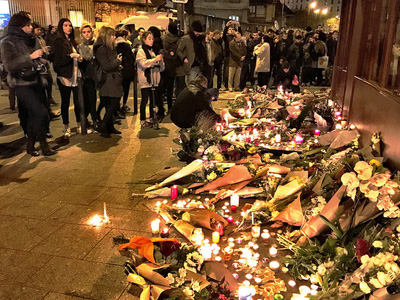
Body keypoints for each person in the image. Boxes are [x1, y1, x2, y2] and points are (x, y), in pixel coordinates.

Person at [0, 12, 56, 156]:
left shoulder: (32, 39)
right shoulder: (7, 42)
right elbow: (10, 65)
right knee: (40, 112)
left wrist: (42, 59)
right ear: (19, 27)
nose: (31, 27)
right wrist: (29, 57)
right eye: (28, 25)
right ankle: (43, 144)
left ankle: (32, 146)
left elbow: (38, 58)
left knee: (35, 115)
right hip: (21, 84)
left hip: (36, 80)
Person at [53, 18, 83, 137]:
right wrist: (70, 56)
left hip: (76, 75)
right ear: (61, 27)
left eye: (70, 25)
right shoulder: (58, 41)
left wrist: (79, 58)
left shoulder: (72, 41)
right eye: (66, 25)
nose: (69, 27)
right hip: (64, 76)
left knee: (77, 101)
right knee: (65, 102)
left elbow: (77, 57)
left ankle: (80, 124)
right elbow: (58, 60)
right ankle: (66, 127)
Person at [93, 26, 123, 138]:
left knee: (111, 104)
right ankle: (104, 125)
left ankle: (109, 127)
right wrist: (117, 62)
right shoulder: (102, 49)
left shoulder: (111, 47)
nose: (114, 37)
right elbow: (105, 66)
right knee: (113, 103)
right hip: (107, 80)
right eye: (112, 35)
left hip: (113, 78)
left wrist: (118, 65)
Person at [136, 31, 165, 128]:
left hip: (155, 79)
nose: (151, 41)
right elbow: (144, 63)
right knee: (144, 99)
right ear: (144, 40)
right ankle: (142, 119)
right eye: (149, 38)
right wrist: (155, 60)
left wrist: (160, 61)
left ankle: (153, 116)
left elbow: (161, 67)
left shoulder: (152, 51)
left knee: (153, 100)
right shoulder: (141, 51)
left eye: (152, 39)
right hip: (146, 80)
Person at [78, 23, 97, 131]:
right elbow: (86, 59)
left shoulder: (96, 44)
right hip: (87, 77)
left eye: (88, 32)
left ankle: (95, 119)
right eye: (84, 32)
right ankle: (92, 120)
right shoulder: (80, 47)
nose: (87, 34)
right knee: (89, 99)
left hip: (97, 75)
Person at [32, 23, 56, 106]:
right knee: (44, 83)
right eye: (37, 30)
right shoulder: (33, 39)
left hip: (45, 61)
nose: (39, 31)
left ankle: (49, 98)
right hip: (39, 64)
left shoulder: (41, 38)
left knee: (49, 80)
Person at [161, 21, 180, 112]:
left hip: (167, 66)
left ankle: (169, 106)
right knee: (177, 87)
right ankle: (176, 105)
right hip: (178, 65)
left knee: (168, 88)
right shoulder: (179, 38)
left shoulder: (164, 39)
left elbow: (163, 51)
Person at [116, 29, 135, 114]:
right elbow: (131, 59)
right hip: (126, 71)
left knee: (118, 89)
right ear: (124, 36)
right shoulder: (126, 46)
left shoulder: (113, 45)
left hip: (116, 71)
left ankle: (117, 105)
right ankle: (123, 105)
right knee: (125, 88)